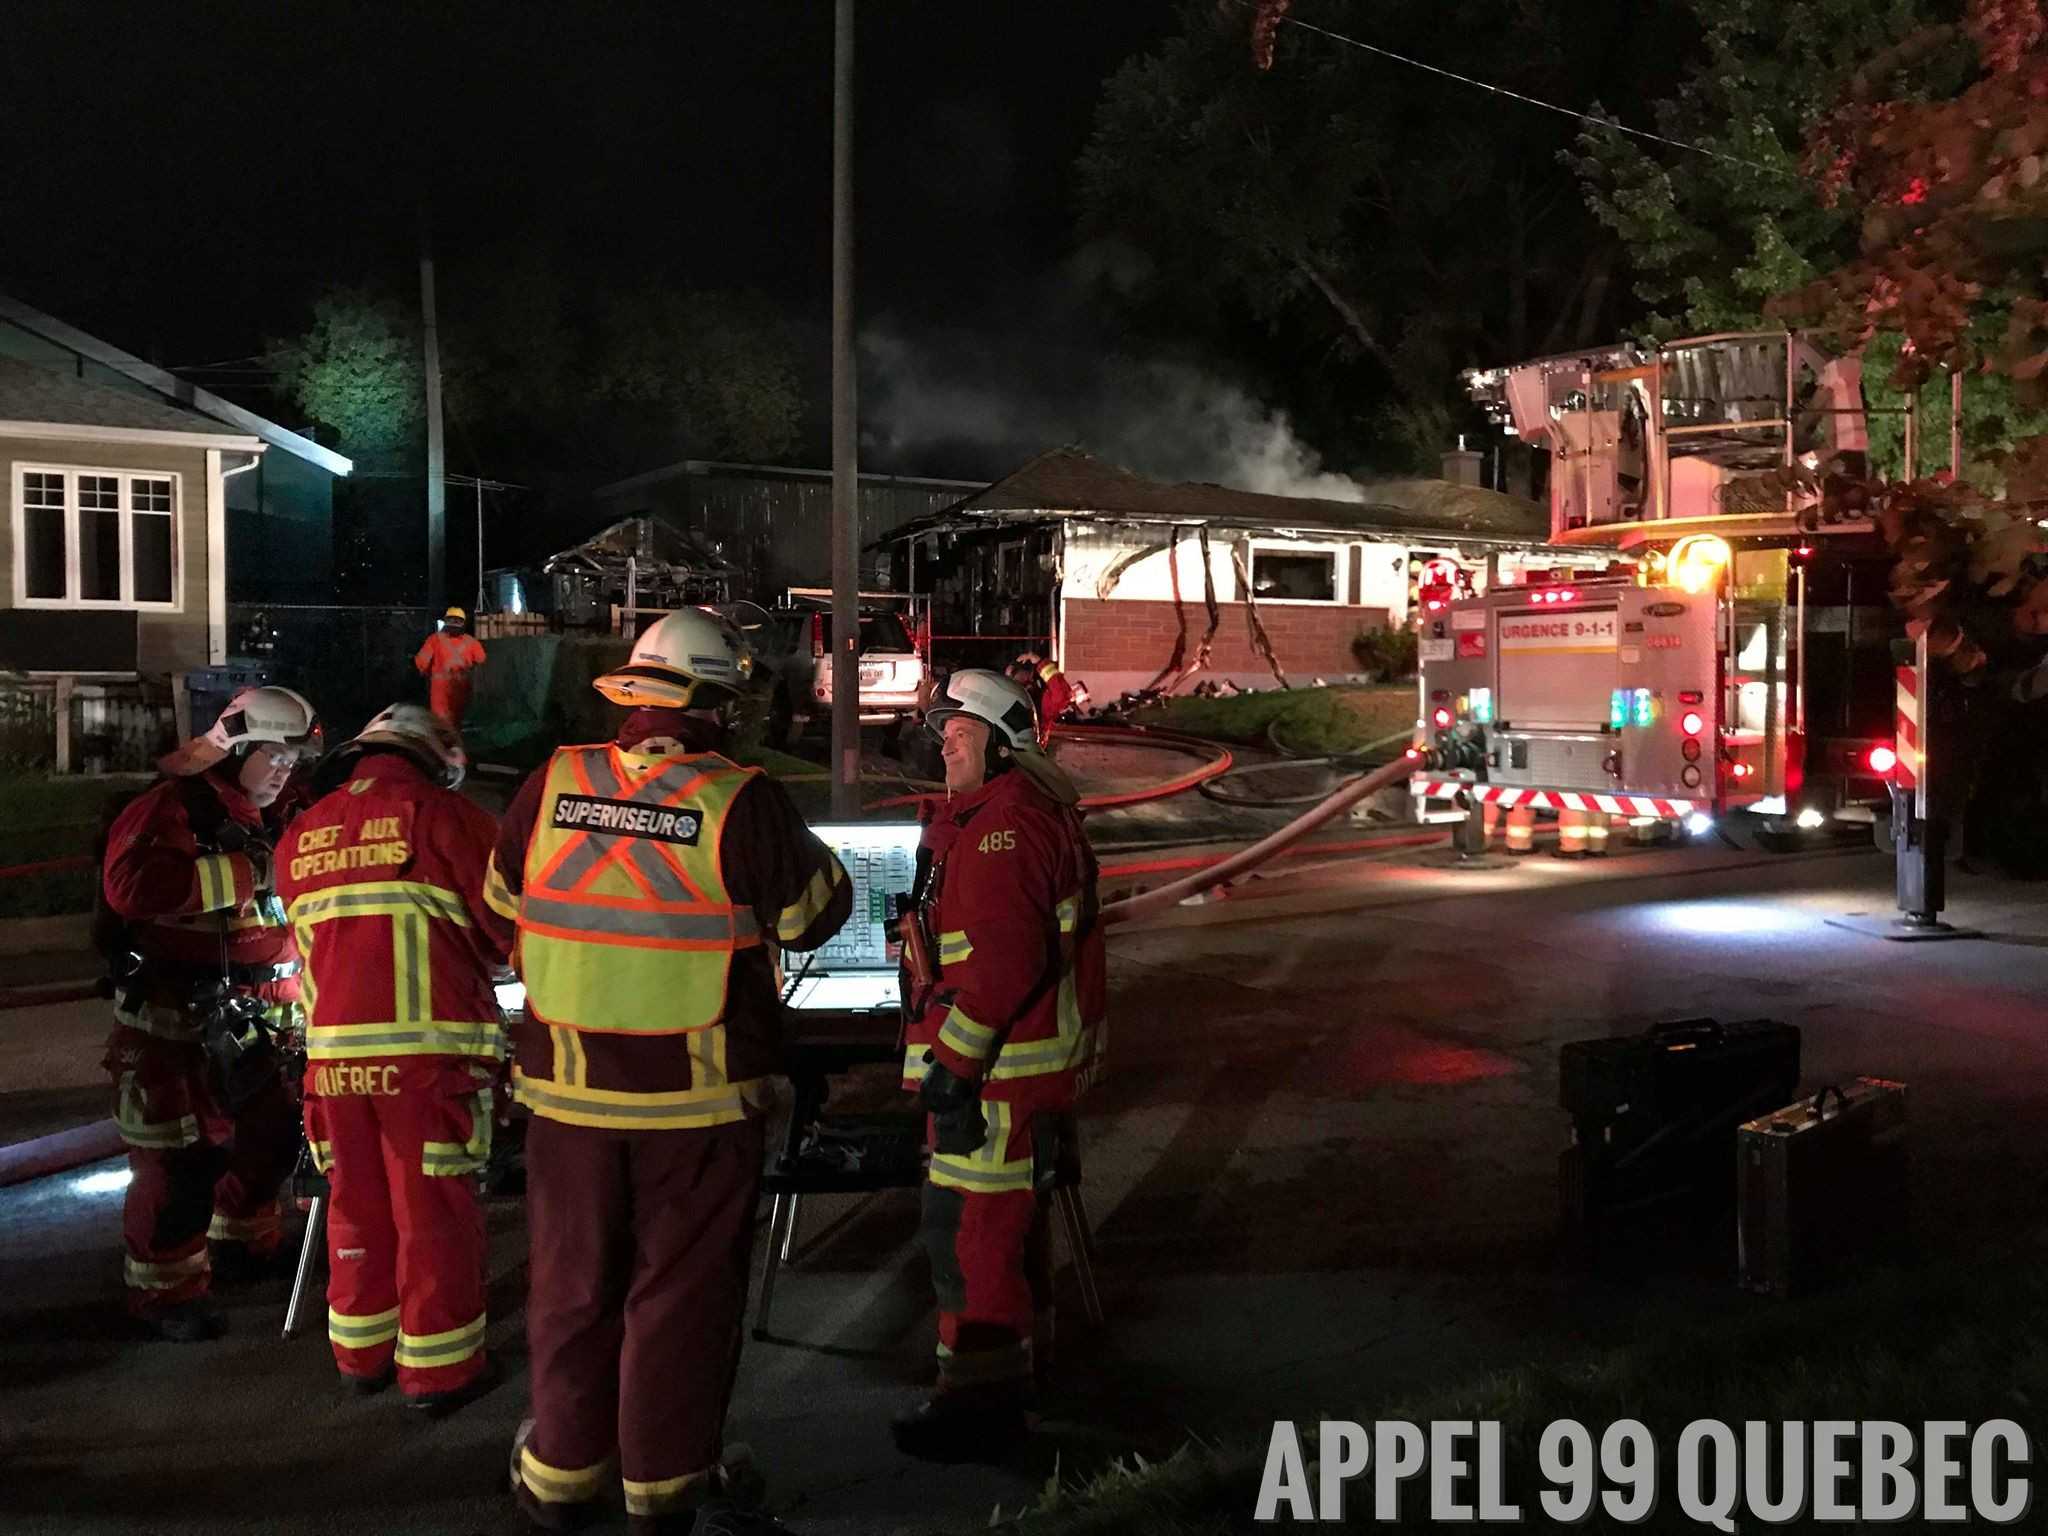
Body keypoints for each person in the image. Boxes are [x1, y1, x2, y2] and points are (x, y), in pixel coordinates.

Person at [486, 608, 852, 1535]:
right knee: (678, 1297)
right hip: (695, 1099)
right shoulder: (741, 797)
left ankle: (562, 1477)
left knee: (571, 1285)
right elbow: (812, 916)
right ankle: (668, 1488)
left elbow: (501, 906)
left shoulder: (553, 780)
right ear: (715, 702)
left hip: (566, 1099)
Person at [893, 669, 1108, 1462]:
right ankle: (1024, 1373)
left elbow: (1003, 965)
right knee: (1011, 1237)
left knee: (970, 1240)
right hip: (1019, 1073)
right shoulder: (1004, 814)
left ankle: (978, 1406)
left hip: (997, 1078)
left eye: (960, 735)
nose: (945, 747)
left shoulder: (1002, 828)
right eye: (943, 735)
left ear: (1002, 743)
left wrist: (951, 1067)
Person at [276, 704, 512, 1412]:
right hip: (430, 1061)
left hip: (332, 1065)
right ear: (437, 761)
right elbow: (506, 929)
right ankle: (440, 1373)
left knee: (354, 1208)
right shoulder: (446, 817)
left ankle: (361, 1356)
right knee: (431, 1213)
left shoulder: (301, 833)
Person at [98, 686, 323, 1341]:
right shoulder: (171, 807)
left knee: (273, 1137)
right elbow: (131, 887)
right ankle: (165, 1291)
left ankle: (242, 1243)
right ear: (234, 750)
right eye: (272, 756)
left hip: (260, 1020)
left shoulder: (280, 814)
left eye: (291, 759)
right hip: (176, 1027)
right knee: (182, 1163)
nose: (283, 769)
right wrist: (246, 873)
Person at [415, 606, 488, 729]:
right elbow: (482, 661)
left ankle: (445, 746)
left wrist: (427, 674)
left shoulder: (434, 640)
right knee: (458, 724)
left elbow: (421, 662)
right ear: (463, 623)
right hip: (462, 687)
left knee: (441, 725)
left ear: (445, 621)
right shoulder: (471, 642)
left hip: (440, 690)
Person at [1006, 653, 1079, 747]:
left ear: (1028, 674)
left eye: (1012, 674)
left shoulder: (1041, 699)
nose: (1009, 680)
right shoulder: (1009, 696)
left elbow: (1061, 695)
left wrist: (1040, 663)